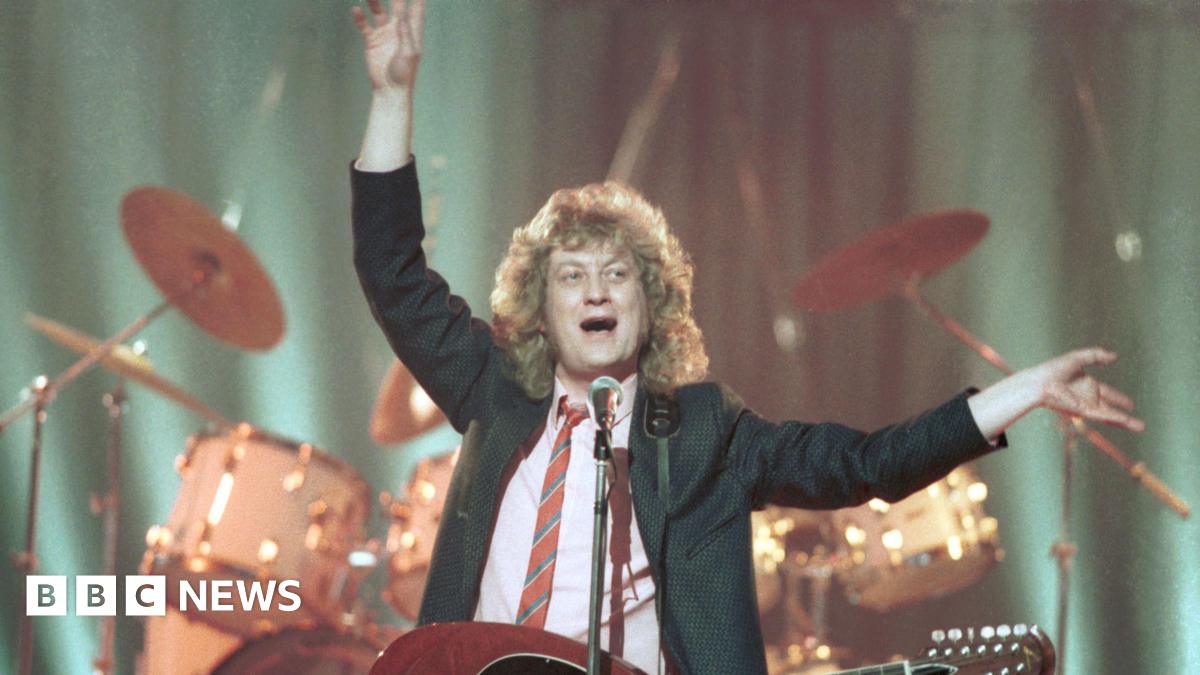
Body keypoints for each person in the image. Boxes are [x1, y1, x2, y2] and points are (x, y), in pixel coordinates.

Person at [348, 1, 1144, 672]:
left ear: (650, 302)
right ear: (540, 305)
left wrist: (1026, 390)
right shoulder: (492, 386)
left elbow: (865, 463)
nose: (595, 290)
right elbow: (392, 270)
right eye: (571, 276)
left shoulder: (705, 431)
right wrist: (392, 96)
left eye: (617, 274)